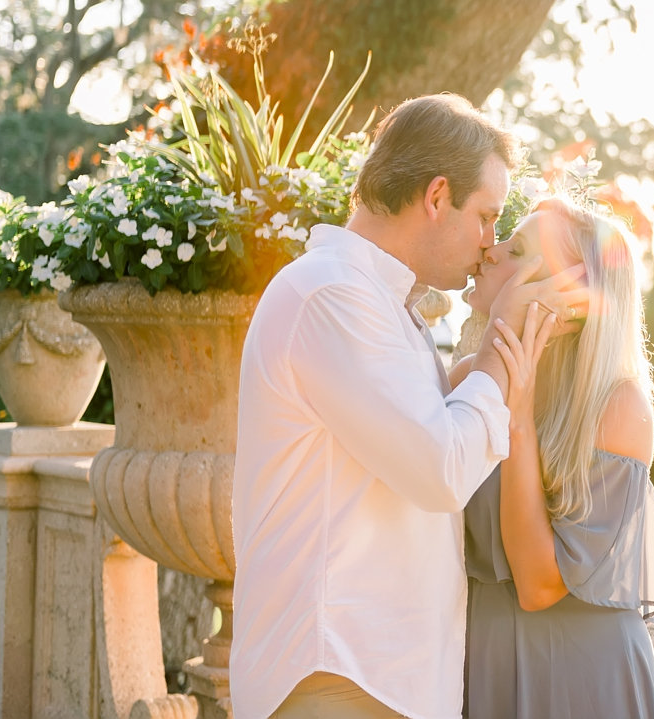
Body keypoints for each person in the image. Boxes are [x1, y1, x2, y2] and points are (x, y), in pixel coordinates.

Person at [232, 95, 585, 719]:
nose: (489, 242)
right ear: (437, 195)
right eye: (486, 216)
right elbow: (439, 468)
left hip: (376, 679)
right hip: (339, 676)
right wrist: (505, 333)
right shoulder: (333, 296)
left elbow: (423, 425)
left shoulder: (380, 304)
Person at [462, 195, 654, 719]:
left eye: (518, 251)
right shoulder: (471, 377)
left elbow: (538, 586)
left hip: (584, 680)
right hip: (482, 665)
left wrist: (519, 416)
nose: (491, 252)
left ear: (573, 292)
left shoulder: (618, 406)